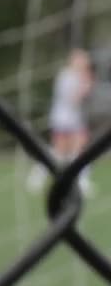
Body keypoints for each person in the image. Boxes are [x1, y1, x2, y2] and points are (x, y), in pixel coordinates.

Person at [28, 49, 95, 197]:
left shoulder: (76, 76)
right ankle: (39, 175)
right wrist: (86, 85)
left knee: (76, 150)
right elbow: (74, 99)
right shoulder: (67, 76)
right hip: (64, 118)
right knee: (60, 152)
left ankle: (80, 180)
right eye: (82, 61)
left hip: (74, 119)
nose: (85, 64)